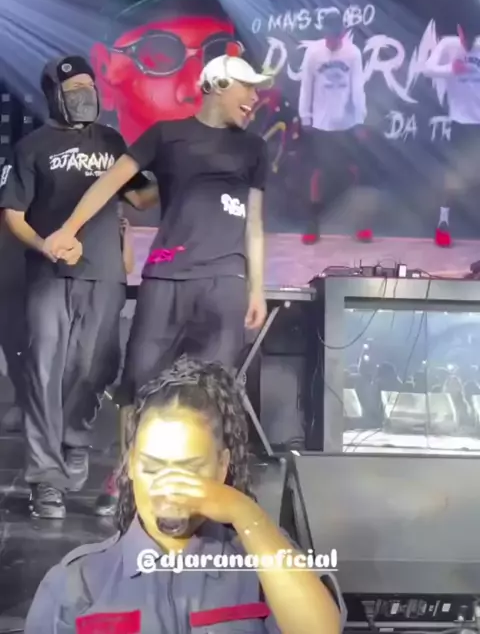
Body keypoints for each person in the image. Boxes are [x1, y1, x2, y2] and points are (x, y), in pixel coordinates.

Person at [43, 54, 271, 514]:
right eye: (246, 88)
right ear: (217, 85)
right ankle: (127, 475)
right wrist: (69, 228)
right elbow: (109, 185)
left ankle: (203, 486)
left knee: (214, 391)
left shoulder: (254, 149)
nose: (254, 98)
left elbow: (255, 224)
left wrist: (257, 289)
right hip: (166, 277)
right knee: (140, 382)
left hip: (224, 280)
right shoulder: (166, 135)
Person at [24, 358, 346, 634]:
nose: (170, 488)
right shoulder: (79, 581)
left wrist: (245, 515)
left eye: (189, 470)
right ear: (131, 463)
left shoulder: (261, 566)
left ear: (222, 466)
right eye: (152, 468)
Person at [0, 55, 157, 519]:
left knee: (96, 367)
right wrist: (45, 244)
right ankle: (45, 480)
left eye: (90, 86)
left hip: (105, 274)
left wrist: (173, 170)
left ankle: (74, 438)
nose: (84, 95)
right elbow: (12, 215)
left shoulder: (111, 142)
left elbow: (141, 197)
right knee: (43, 372)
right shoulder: (31, 148)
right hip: (48, 276)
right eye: (74, 89)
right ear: (54, 95)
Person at [298, 11, 371, 245]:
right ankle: (313, 223)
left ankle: (361, 223)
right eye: (328, 35)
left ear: (342, 33)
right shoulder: (313, 52)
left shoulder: (353, 52)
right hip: (321, 122)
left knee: (355, 172)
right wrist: (305, 117)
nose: (331, 40)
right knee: (317, 173)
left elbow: (358, 87)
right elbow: (306, 85)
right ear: (324, 33)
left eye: (335, 35)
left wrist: (360, 120)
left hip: (347, 123)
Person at [421, 24, 480, 247]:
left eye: (472, 40)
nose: (468, 44)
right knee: (453, 177)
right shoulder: (448, 44)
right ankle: (443, 223)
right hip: (460, 122)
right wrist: (450, 69)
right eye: (465, 39)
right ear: (460, 31)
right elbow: (427, 69)